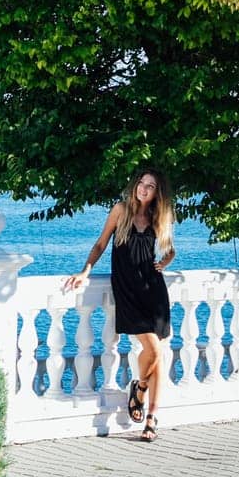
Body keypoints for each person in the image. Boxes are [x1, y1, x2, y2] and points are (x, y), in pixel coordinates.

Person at [64, 166, 175, 443]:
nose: (143, 189)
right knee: (152, 348)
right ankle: (140, 385)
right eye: (141, 183)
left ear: (156, 192)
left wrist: (165, 262)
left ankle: (150, 418)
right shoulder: (121, 210)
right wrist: (85, 271)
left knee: (157, 353)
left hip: (154, 290)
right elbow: (101, 244)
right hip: (127, 290)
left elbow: (170, 248)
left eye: (150, 186)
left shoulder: (156, 217)